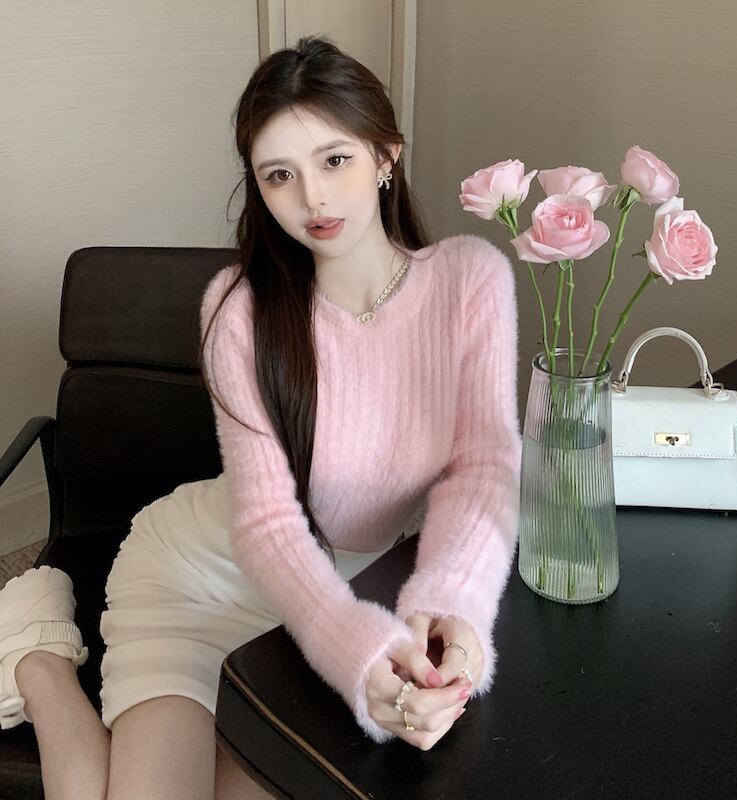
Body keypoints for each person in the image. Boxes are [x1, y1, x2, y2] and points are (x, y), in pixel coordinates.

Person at [0, 33, 522, 798]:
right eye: (280, 175)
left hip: (347, 595)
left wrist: (454, 612)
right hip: (204, 575)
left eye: (335, 160)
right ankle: (40, 657)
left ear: (386, 156)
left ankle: (35, 646)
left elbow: (483, 468)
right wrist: (356, 653)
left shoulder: (470, 281)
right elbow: (271, 526)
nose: (312, 199)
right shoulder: (241, 314)